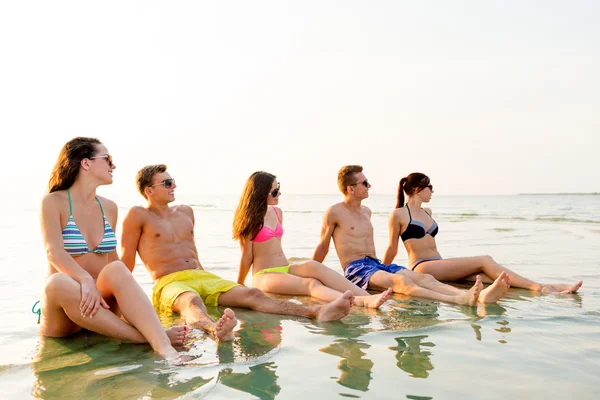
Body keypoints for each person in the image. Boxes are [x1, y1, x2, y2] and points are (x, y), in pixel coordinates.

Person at [120, 164, 353, 343]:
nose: (174, 187)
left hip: (202, 276)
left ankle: (316, 312)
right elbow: (126, 262)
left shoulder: (186, 212)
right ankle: (215, 329)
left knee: (253, 294)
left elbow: (193, 252)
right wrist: (120, 304)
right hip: (169, 281)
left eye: (173, 182)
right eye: (167, 183)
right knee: (191, 301)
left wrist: (215, 279)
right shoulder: (138, 215)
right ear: (149, 190)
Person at [39, 137, 186, 362]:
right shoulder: (53, 202)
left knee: (116, 267)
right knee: (57, 282)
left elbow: (115, 265)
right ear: (86, 163)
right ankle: (152, 338)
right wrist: (85, 280)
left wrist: (138, 312)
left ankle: (163, 347)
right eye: (107, 159)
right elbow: (54, 252)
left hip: (102, 309)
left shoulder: (109, 207)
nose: (113, 166)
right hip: (66, 314)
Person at [313, 165, 511, 305]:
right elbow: (323, 246)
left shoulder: (367, 211)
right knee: (402, 282)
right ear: (351, 189)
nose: (369, 186)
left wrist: (384, 267)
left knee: (425, 279)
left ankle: (472, 295)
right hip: (356, 269)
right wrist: (315, 274)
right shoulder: (334, 212)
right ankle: (456, 300)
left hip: (376, 264)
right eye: (364, 183)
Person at [383, 172, 583, 294]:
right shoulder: (399, 214)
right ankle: (538, 288)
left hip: (440, 265)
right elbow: (392, 248)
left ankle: (552, 287)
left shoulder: (428, 212)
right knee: (485, 260)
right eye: (430, 187)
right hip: (423, 267)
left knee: (491, 279)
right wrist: (381, 272)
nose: (433, 191)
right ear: (418, 189)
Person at [233, 171, 392, 309]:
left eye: (278, 189)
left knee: (314, 266)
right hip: (264, 275)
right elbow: (247, 257)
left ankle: (367, 296)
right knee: (311, 284)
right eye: (274, 192)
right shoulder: (250, 220)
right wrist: (239, 285)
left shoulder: (277, 213)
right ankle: (360, 301)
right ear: (260, 193)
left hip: (285, 268)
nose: (279, 194)